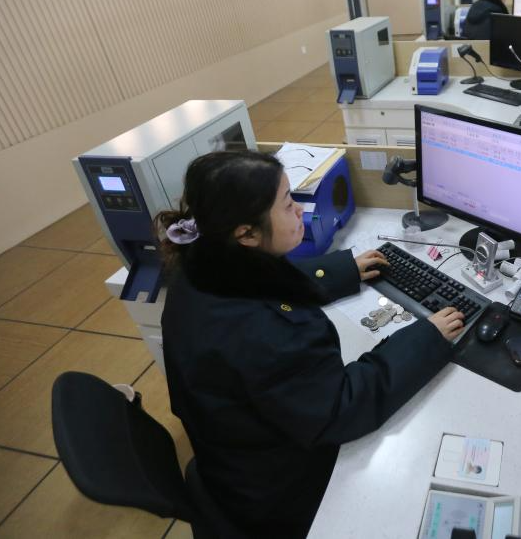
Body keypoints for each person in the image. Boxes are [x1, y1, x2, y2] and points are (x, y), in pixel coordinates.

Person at [157, 150, 465, 537]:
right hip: (278, 491)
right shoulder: (264, 335)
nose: (300, 211)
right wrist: (425, 338)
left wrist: (341, 269)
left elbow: (265, 280)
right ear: (247, 233)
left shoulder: (202, 263)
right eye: (288, 204)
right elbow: (341, 409)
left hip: (232, 455)